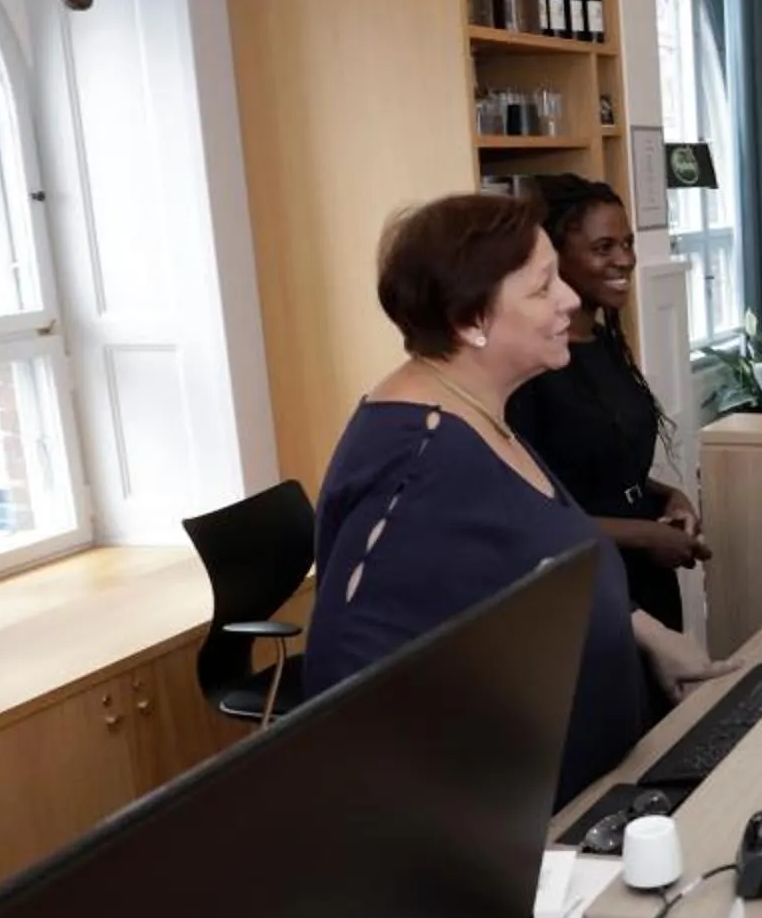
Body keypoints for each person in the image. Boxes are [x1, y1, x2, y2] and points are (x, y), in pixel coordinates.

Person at [301, 193, 730, 804]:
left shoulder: (480, 416)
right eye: (542, 287)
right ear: (470, 320)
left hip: (594, 792)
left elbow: (541, 553)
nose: (569, 300)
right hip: (518, 825)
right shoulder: (413, 466)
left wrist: (645, 633)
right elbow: (345, 685)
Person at [509, 174, 706, 632]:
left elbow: (607, 465)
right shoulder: (535, 365)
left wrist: (668, 497)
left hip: (649, 574)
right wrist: (644, 534)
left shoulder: (604, 341)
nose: (625, 259)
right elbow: (532, 511)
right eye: (603, 248)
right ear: (553, 259)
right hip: (587, 585)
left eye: (628, 243)